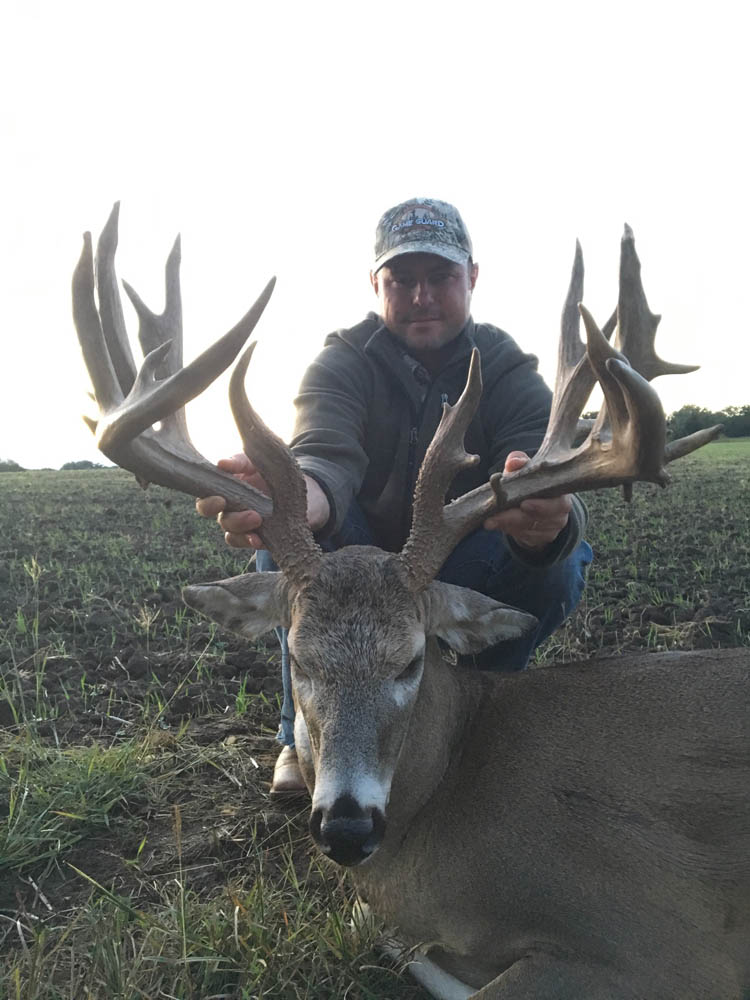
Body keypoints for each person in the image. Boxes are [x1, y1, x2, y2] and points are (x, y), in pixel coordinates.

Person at [197, 198, 592, 795]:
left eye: (440, 276)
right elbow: (323, 450)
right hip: (355, 558)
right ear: (375, 283)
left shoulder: (507, 369)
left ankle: (477, 715)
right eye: (401, 279)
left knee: (557, 563)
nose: (421, 296)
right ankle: (297, 736)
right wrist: (297, 496)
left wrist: (548, 516)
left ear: (472, 277)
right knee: (282, 544)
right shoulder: (343, 361)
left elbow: (542, 462)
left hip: (450, 562)